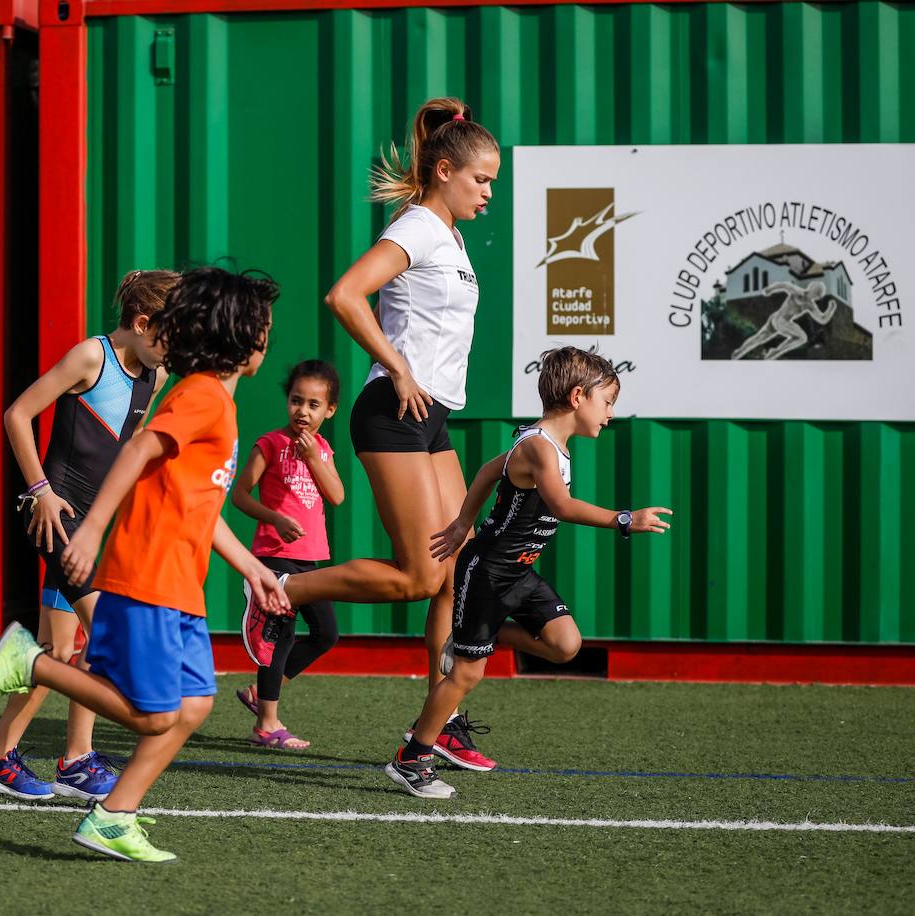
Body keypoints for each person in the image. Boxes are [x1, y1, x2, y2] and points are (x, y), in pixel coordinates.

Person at [0, 266, 290, 863]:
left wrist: (250, 565)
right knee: (145, 709)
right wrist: (60, 506)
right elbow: (133, 449)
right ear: (243, 343)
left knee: (189, 706)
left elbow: (195, 498)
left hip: (167, 574)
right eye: (263, 332)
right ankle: (41, 695)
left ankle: (80, 784)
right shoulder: (191, 395)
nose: (268, 343)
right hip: (117, 554)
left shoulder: (200, 394)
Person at [241, 97, 501, 766]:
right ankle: (279, 591)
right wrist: (396, 366)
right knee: (419, 575)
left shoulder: (449, 236)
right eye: (481, 179)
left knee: (453, 572)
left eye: (493, 181)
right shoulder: (417, 227)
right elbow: (345, 294)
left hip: (430, 411)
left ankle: (440, 719)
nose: (488, 192)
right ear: (444, 172)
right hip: (394, 407)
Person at [385, 347, 671, 798]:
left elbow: (486, 471)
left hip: (519, 574)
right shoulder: (539, 445)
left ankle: (483, 641)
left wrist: (462, 521)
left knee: (566, 644)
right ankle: (412, 757)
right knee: (466, 675)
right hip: (487, 574)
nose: (611, 414)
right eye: (608, 402)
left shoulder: (544, 443)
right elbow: (562, 505)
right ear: (578, 397)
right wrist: (623, 519)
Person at [0, 269, 176, 802]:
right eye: (171, 335)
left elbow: (128, 451)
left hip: (95, 528)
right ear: (143, 322)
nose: (177, 349)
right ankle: (72, 758)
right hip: (56, 521)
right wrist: (39, 489)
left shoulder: (156, 373)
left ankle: (3, 757)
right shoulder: (91, 356)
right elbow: (17, 414)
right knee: (108, 637)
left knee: (63, 647)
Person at [231, 360, 344, 749]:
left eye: (314, 405)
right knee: (279, 638)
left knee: (326, 633)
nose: (303, 411)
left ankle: (259, 692)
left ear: (329, 411)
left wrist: (314, 457)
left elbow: (338, 495)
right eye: (297, 401)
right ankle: (267, 724)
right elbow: (240, 495)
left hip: (309, 559)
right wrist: (273, 518)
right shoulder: (270, 444)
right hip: (274, 556)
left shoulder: (324, 450)